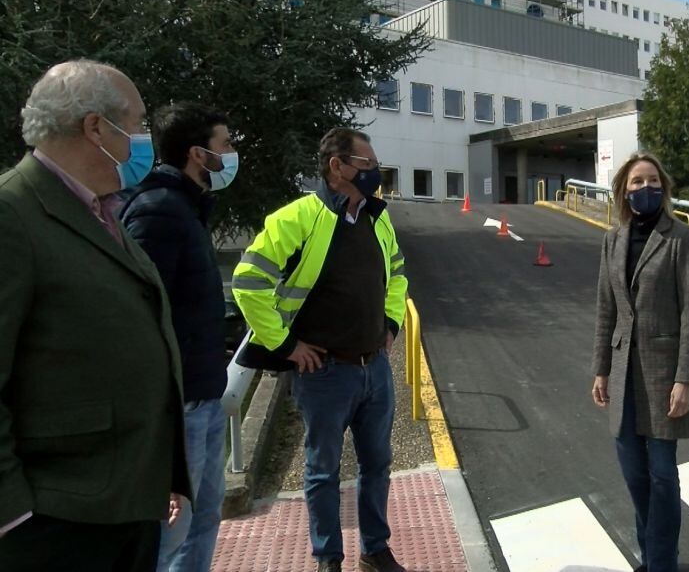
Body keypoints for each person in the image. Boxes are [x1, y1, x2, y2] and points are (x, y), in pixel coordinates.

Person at [0, 59, 190, 570]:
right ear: (95, 127)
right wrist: (14, 518)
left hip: (125, 508)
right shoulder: (11, 215)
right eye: (135, 123)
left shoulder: (97, 211)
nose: (141, 139)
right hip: (58, 524)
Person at [231, 127, 408, 572]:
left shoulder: (376, 216)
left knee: (377, 466)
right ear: (338, 166)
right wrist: (287, 345)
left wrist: (390, 325)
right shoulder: (298, 217)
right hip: (325, 373)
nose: (375, 172)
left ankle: (375, 549)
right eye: (367, 164)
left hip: (374, 369)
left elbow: (398, 274)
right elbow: (249, 283)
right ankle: (328, 558)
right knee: (322, 471)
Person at [119, 102, 239, 572]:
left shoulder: (186, 209)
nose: (231, 154)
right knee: (170, 532)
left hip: (205, 394)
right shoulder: (157, 212)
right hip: (182, 403)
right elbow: (142, 316)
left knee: (203, 519)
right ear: (197, 154)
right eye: (225, 144)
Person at [590, 151, 689, 572]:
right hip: (622, 373)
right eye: (636, 182)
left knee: (661, 475)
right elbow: (606, 309)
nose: (645, 189)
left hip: (663, 374)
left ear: (664, 187)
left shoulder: (681, 238)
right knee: (635, 476)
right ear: (623, 190)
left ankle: (660, 563)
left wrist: (685, 378)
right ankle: (652, 554)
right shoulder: (612, 240)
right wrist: (600, 368)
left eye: (652, 181)